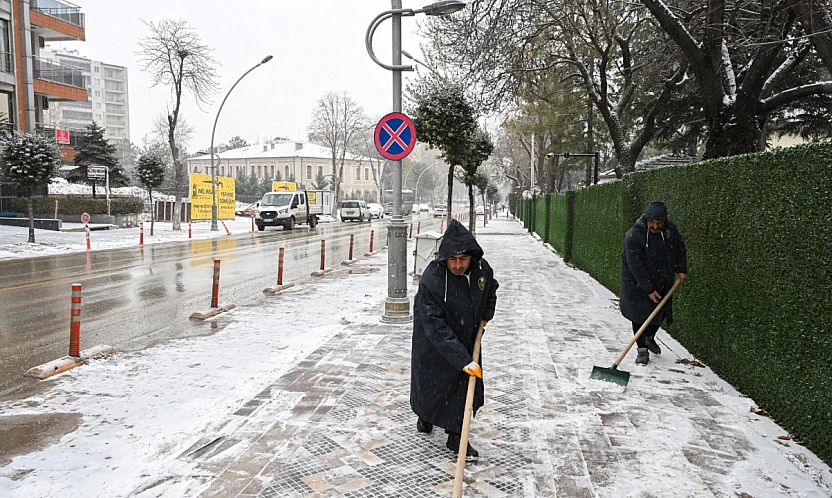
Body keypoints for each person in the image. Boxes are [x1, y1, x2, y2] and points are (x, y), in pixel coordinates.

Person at [410, 219, 498, 462]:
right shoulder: (432, 279)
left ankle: (457, 437)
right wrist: (461, 359)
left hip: (467, 339)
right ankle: (426, 416)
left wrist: (486, 316)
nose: (458, 265)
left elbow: (491, 290)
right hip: (434, 343)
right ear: (444, 258)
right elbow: (435, 326)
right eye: (453, 259)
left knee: (462, 388)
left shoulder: (481, 271)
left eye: (463, 259)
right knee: (431, 385)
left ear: (472, 257)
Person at [620, 201, 688, 365]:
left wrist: (681, 268)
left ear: (665, 221)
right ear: (647, 219)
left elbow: (679, 247)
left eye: (659, 223)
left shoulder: (670, 230)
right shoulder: (634, 235)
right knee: (639, 314)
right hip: (636, 280)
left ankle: (649, 336)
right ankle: (642, 350)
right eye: (652, 222)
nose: (656, 226)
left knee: (661, 311)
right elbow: (636, 266)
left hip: (662, 277)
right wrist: (648, 289)